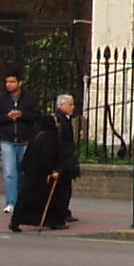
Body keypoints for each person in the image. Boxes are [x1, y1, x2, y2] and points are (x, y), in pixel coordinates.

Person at [8, 111, 70, 231]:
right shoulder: (51, 137)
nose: (57, 125)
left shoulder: (37, 136)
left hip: (31, 172)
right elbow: (49, 156)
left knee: (27, 197)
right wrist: (53, 170)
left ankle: (17, 220)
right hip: (42, 173)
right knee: (51, 198)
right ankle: (53, 221)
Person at [0, 73, 36, 215]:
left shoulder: (29, 99)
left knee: (22, 173)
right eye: (7, 82)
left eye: (12, 82)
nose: (9, 84)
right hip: (7, 140)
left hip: (25, 139)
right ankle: (11, 202)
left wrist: (22, 115)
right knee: (9, 173)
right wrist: (6, 117)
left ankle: (22, 201)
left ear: (19, 83)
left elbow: (36, 116)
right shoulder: (1, 100)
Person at [52, 94, 83, 225]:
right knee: (63, 189)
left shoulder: (65, 119)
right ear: (61, 105)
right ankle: (60, 213)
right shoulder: (60, 121)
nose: (73, 107)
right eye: (70, 104)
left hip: (66, 159)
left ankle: (64, 211)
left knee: (66, 189)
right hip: (63, 160)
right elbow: (60, 142)